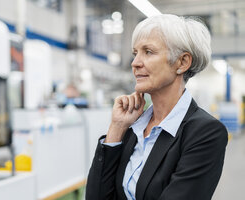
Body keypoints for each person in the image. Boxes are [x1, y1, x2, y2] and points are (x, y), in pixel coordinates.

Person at [86, 14, 228, 200]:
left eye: (148, 52)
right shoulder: (134, 128)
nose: (135, 63)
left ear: (182, 62)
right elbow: (96, 197)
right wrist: (117, 127)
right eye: (135, 53)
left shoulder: (205, 133)